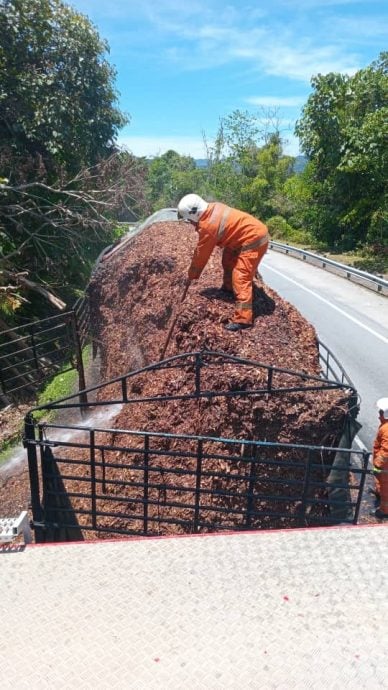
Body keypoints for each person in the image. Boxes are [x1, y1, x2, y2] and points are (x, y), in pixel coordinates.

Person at [177, 194, 269, 332]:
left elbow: (201, 256)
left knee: (241, 276)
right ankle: (228, 288)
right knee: (227, 261)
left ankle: (243, 319)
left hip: (254, 239)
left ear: (194, 215)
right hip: (240, 239)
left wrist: (192, 274)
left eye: (189, 220)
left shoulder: (208, 226)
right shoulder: (212, 208)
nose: (190, 223)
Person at [371, 397, 388, 519]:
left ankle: (384, 511)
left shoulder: (386, 429)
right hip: (383, 467)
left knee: (386, 488)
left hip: (385, 467)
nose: (378, 415)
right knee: (380, 482)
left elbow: (386, 451)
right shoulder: (385, 426)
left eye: (380, 412)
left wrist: (377, 464)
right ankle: (378, 492)